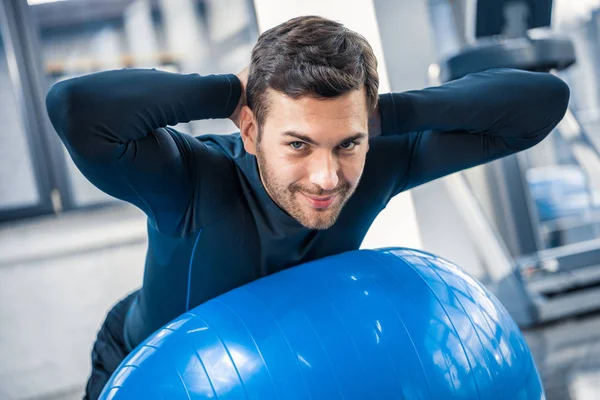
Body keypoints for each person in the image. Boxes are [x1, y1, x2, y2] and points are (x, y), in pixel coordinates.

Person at [45, 15, 569, 400]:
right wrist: (229, 94)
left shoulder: (376, 158)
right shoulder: (193, 181)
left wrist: (387, 112)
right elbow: (76, 108)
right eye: (297, 144)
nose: (327, 177)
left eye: (346, 143)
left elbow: (540, 104)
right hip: (146, 372)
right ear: (251, 131)